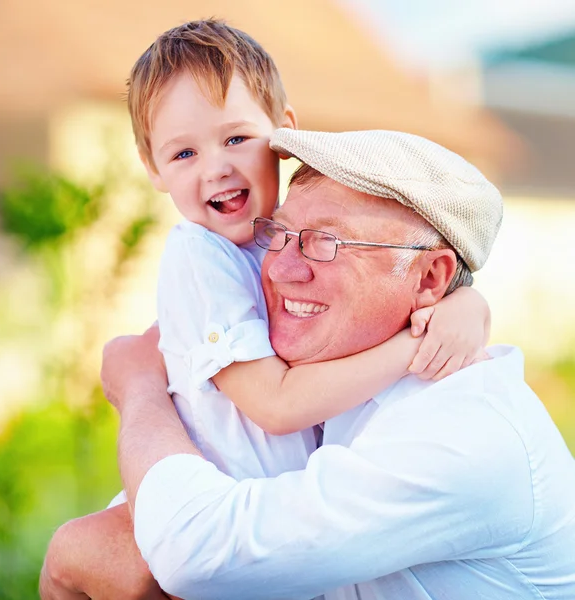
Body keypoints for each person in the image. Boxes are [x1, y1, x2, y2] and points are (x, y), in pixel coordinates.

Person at [40, 22, 490, 599]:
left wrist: (469, 303)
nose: (215, 168)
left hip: (267, 524)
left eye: (235, 139)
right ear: (152, 167)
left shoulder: (279, 243)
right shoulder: (197, 258)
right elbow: (276, 405)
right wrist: (412, 349)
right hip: (206, 511)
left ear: (284, 133)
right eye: (182, 152)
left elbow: (408, 281)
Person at [70, 129, 575, 599]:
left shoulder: (464, 434)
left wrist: (139, 389)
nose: (284, 270)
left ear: (430, 279)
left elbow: (195, 552)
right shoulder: (343, 380)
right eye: (281, 234)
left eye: (327, 243)